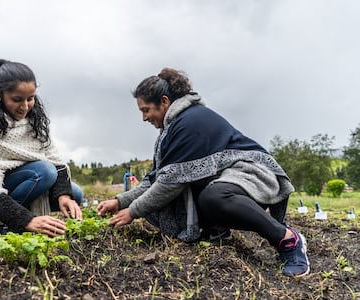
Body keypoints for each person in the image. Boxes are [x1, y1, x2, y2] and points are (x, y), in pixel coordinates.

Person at [97, 68, 310, 277]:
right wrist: (119, 201)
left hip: (252, 174)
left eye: (146, 110)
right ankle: (216, 228)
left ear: (164, 102)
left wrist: (133, 211)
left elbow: (169, 184)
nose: (144, 118)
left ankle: (287, 239)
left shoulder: (189, 123)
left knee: (215, 197)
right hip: (225, 179)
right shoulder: (170, 130)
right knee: (201, 191)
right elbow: (156, 180)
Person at [0, 59, 83, 240]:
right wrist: (24, 219)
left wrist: (64, 196)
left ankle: (9, 218)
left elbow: (56, 161)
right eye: (17, 100)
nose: (25, 106)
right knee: (44, 172)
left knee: (75, 193)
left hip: (14, 185)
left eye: (30, 98)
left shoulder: (33, 121)